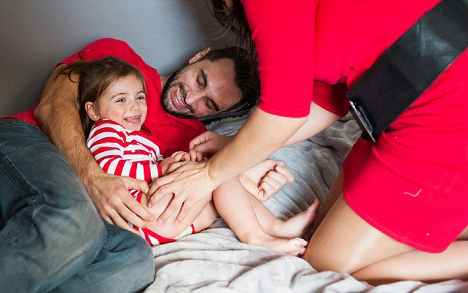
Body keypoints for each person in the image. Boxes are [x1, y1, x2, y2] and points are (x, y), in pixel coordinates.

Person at [150, 0, 468, 282]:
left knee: (327, 260)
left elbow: (282, 111)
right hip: (433, 108)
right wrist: (233, 148)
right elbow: (320, 104)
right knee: (325, 229)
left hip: (460, 118)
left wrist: (208, 176)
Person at [0, 37, 257, 293]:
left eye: (209, 104)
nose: (191, 98)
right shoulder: (121, 60)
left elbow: (221, 191)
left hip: (46, 232)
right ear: (198, 57)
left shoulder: (193, 143)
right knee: (74, 218)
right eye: (200, 80)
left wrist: (247, 162)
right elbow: (53, 103)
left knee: (134, 260)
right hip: (13, 152)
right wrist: (92, 176)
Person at [75, 58, 316, 255]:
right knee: (213, 171)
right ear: (93, 110)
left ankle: (276, 226)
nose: (134, 107)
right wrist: (163, 169)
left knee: (215, 175)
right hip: (141, 216)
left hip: (164, 222)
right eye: (121, 100)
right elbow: (109, 166)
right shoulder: (106, 129)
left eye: (140, 98)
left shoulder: (141, 138)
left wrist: (175, 162)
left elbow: (217, 192)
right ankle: (258, 234)